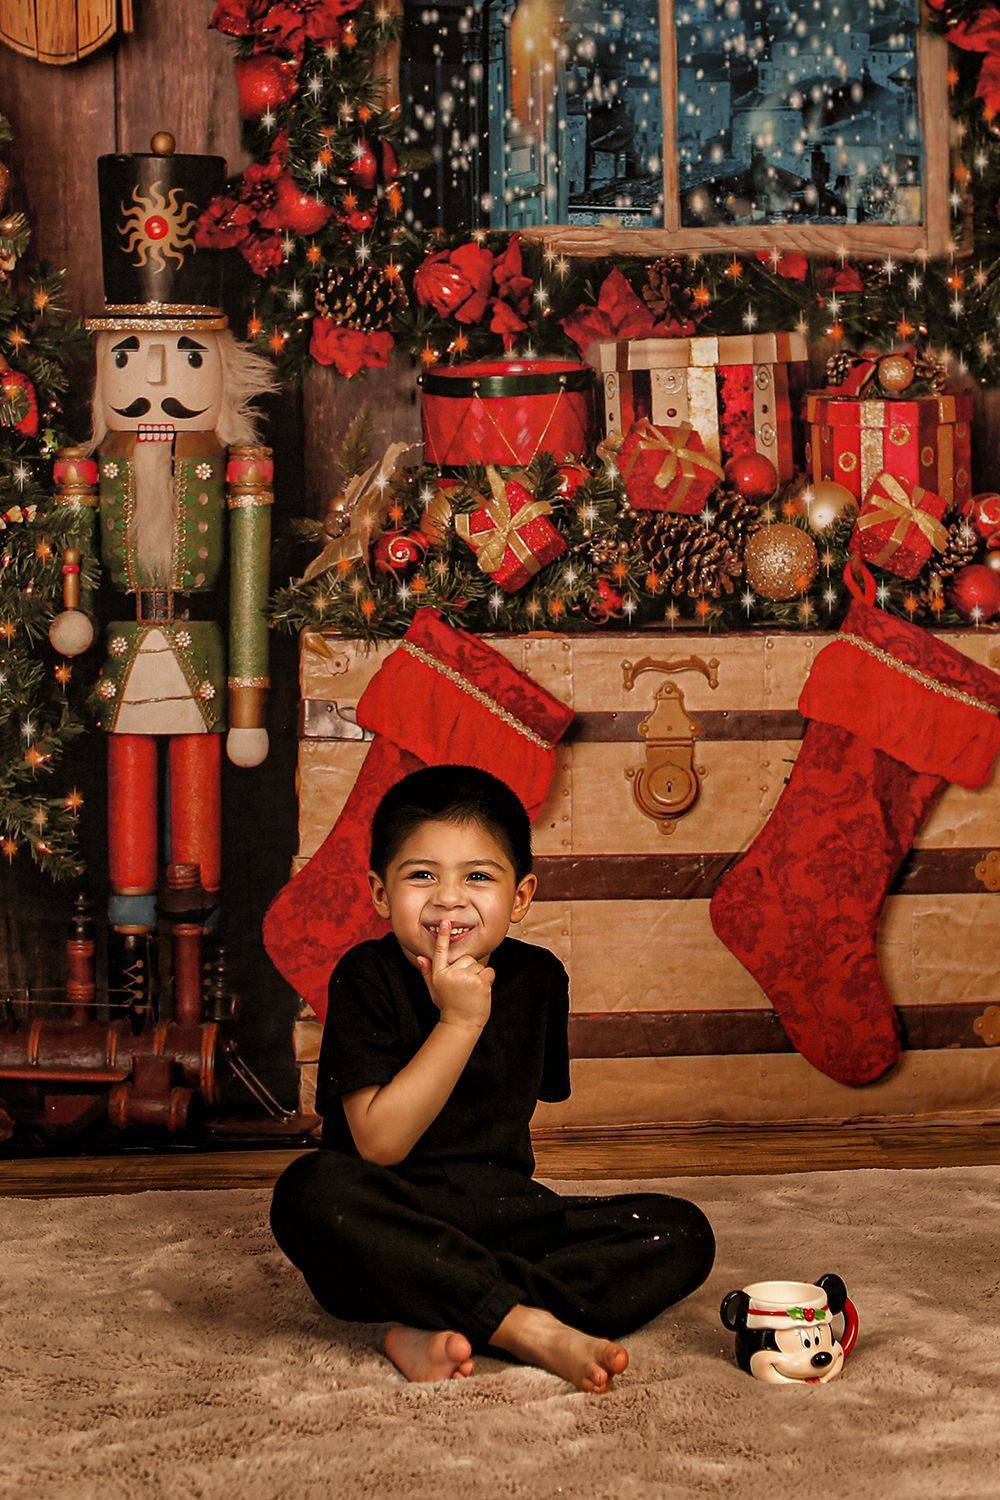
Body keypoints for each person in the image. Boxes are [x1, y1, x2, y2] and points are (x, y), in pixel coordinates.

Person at [269, 765, 715, 1393]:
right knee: (308, 1192)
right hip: (391, 1221)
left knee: (681, 1231)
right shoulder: (364, 975)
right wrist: (459, 1021)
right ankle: (525, 1325)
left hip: (505, 1217)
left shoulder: (538, 978)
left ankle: (430, 1318)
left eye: (478, 877)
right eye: (422, 875)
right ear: (380, 893)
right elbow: (379, 1143)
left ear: (521, 897)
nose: (449, 899)